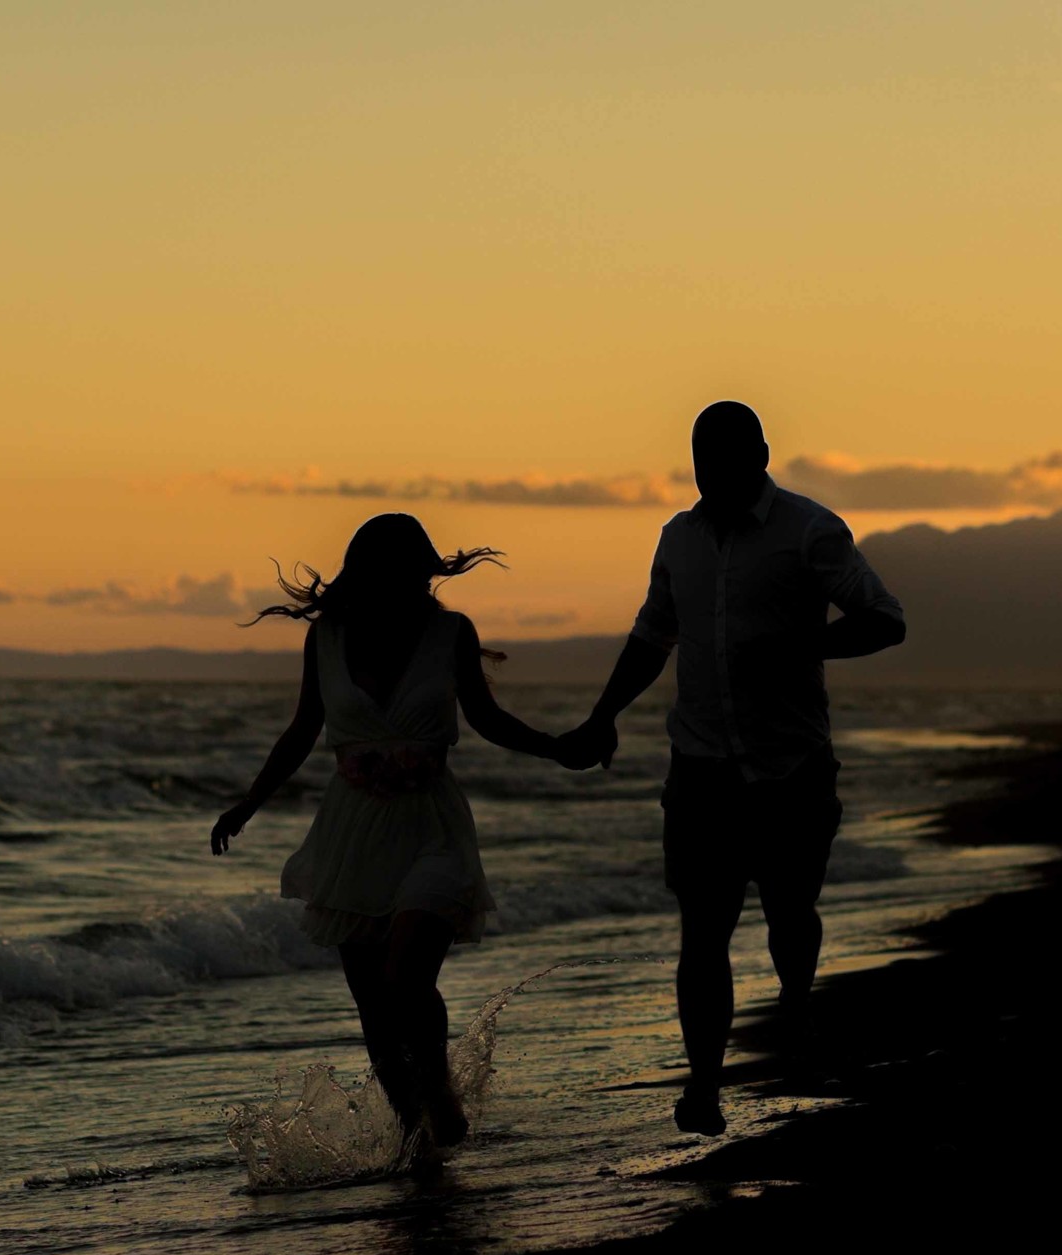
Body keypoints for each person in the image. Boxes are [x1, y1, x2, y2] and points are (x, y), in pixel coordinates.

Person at [558, 401, 906, 1136]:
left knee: (789, 913)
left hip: (791, 767)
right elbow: (653, 636)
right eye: (699, 456)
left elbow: (883, 617)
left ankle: (794, 997)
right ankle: (705, 1085)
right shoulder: (677, 539)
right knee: (703, 931)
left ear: (762, 454)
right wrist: (603, 713)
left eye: (724, 455)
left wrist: (806, 650)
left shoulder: (810, 529)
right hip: (702, 768)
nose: (709, 470)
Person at [211, 513, 571, 1156]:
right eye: (384, 567)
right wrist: (248, 802)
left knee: (405, 978)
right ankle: (416, 1138)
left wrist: (558, 748)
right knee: (374, 1008)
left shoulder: (449, 633)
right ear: (361, 569)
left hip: (432, 828)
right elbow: (301, 731)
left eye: (409, 567)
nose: (400, 580)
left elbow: (486, 718)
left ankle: (440, 1101)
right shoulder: (326, 638)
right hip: (351, 834)